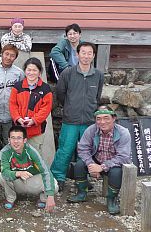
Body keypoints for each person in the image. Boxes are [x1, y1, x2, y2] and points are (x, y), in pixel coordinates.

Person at [51, 42, 104, 191]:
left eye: (89, 53)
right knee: (65, 150)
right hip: (70, 119)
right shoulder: (68, 73)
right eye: (83, 53)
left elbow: (97, 96)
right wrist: (70, 106)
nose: (86, 56)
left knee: (85, 151)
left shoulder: (98, 75)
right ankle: (57, 178)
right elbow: (61, 94)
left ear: (93, 56)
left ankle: (82, 178)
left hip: (88, 121)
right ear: (77, 54)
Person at [67, 106, 132, 215]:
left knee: (116, 172)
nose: (102, 122)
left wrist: (102, 167)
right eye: (98, 119)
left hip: (114, 163)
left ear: (114, 118)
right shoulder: (91, 130)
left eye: (106, 118)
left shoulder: (123, 133)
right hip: (96, 160)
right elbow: (83, 149)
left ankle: (111, 199)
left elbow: (123, 156)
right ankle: (82, 193)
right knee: (79, 165)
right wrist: (91, 164)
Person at [0, 125, 57, 212]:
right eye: (13, 138)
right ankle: (10, 198)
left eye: (19, 138)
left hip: (32, 179)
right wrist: (18, 173)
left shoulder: (31, 151)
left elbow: (45, 171)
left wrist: (51, 196)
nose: (15, 141)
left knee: (54, 185)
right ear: (9, 140)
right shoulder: (4, 152)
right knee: (2, 176)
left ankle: (43, 199)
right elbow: (5, 172)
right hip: (17, 180)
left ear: (24, 140)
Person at [9, 57, 53, 154]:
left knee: (34, 157)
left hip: (36, 131)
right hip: (18, 130)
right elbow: (12, 104)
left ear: (39, 72)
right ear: (25, 71)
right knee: (17, 156)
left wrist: (34, 120)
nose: (31, 73)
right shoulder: (17, 86)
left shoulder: (45, 89)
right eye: (29, 70)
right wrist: (17, 118)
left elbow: (46, 108)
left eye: (34, 70)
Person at [0, 45, 24, 148]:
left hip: (10, 116)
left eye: (12, 55)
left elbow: (21, 95)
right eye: (6, 54)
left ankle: (7, 163)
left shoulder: (19, 73)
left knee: (9, 143)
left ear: (15, 58)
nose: (8, 57)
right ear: (2, 54)